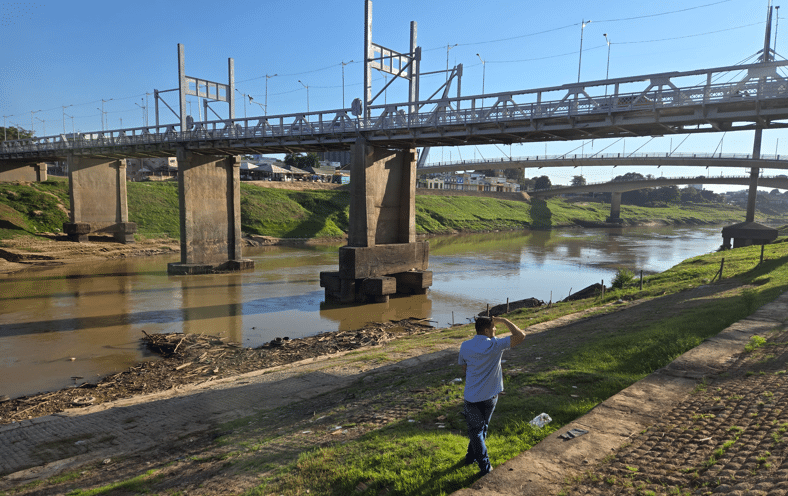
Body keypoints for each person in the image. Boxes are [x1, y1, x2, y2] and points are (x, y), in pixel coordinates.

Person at [458, 315, 526, 476]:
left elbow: (464, 369)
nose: (496, 329)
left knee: (477, 430)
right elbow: (521, 335)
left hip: (472, 396)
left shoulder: (465, 346)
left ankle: (471, 457)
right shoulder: (496, 345)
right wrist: (505, 320)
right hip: (490, 397)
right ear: (487, 330)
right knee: (479, 430)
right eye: (494, 327)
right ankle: (485, 467)